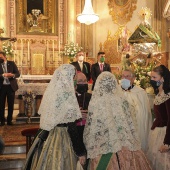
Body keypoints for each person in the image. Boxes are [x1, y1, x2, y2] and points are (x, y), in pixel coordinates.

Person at [23, 64, 86, 170]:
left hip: (49, 135)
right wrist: (80, 152)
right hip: (62, 137)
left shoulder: (54, 93)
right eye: (74, 76)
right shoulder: (67, 95)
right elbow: (71, 128)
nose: (75, 79)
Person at [84, 72, 151, 169]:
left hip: (103, 145)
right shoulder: (122, 100)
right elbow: (131, 122)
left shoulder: (96, 102)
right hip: (124, 143)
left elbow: (93, 127)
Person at [120, 69, 152, 152]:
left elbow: (145, 113)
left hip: (136, 125)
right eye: (123, 76)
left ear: (133, 79)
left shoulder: (140, 93)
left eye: (127, 76)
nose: (124, 78)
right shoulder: (116, 91)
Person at [147, 65, 170, 170]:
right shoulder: (158, 93)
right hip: (156, 132)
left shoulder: (168, 95)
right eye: (151, 77)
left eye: (154, 77)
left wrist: (167, 142)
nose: (152, 80)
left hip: (164, 134)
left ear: (163, 78)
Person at [75, 72, 92, 169]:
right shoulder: (69, 97)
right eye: (80, 81)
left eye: (85, 81)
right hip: (74, 133)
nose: (83, 83)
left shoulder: (91, 97)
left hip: (88, 132)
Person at [0, 51, 20, 126]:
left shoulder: (11, 63)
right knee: (1, 104)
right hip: (2, 87)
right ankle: (2, 120)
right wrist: (3, 75)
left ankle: (9, 120)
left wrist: (12, 75)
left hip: (10, 87)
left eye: (1, 57)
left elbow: (18, 73)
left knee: (11, 104)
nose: (0, 59)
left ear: (5, 57)